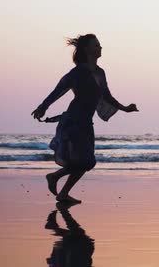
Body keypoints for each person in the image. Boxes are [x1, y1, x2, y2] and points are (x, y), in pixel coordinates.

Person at [31, 34, 138, 203]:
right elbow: (58, 90)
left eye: (100, 45)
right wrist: (43, 107)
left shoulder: (100, 72)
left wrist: (125, 108)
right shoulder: (78, 72)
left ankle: (59, 186)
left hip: (86, 123)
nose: (100, 48)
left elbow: (106, 96)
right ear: (87, 49)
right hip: (73, 122)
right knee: (85, 161)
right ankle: (57, 182)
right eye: (96, 45)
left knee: (86, 162)